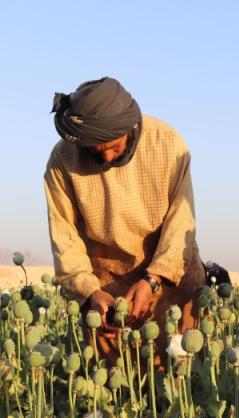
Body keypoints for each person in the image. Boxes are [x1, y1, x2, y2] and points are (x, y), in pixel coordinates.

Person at [45, 77, 205, 369]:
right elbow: (64, 236)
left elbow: (181, 223)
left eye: (113, 146)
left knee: (180, 378)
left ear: (130, 129)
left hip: (170, 277)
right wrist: (90, 293)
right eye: (94, 150)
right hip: (107, 289)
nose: (105, 156)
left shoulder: (167, 144)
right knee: (116, 388)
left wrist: (153, 280)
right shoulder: (63, 159)